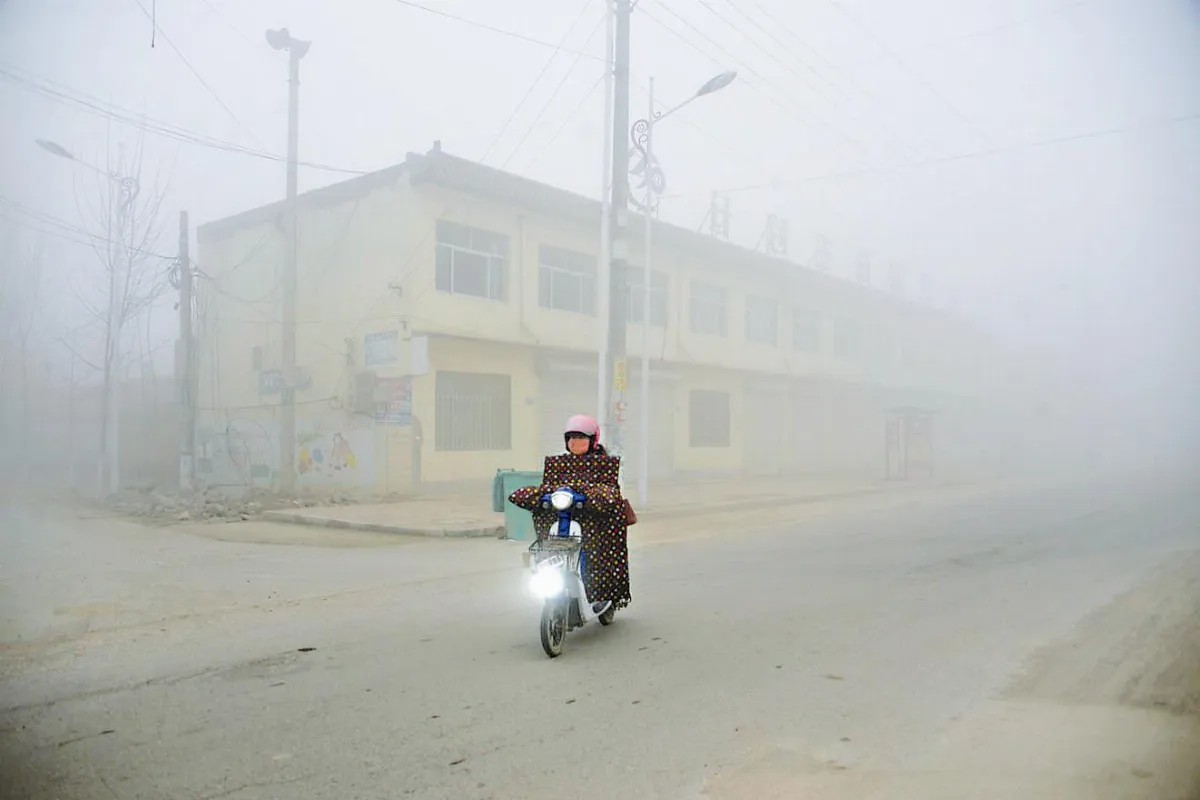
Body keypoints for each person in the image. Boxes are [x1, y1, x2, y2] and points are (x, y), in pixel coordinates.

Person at [508, 414, 632, 615]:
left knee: (596, 551)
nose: (575, 442)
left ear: (592, 440)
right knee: (547, 548)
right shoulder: (558, 464)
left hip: (594, 520)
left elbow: (610, 493)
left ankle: (602, 594)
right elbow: (547, 488)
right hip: (562, 517)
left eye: (581, 437)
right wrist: (536, 497)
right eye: (571, 438)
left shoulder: (605, 464)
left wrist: (589, 496)